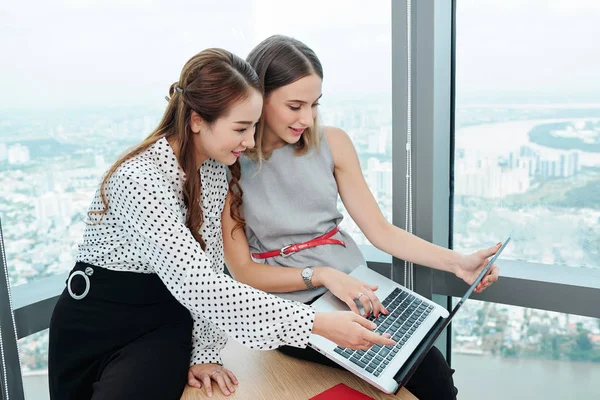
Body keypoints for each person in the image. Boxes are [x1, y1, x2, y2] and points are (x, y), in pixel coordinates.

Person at [47, 48, 395, 400]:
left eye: (254, 126)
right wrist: (317, 325)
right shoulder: (140, 178)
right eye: (241, 128)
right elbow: (199, 285)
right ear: (197, 120)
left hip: (164, 322)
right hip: (94, 319)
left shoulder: (214, 170)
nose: (249, 141)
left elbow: (210, 264)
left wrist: (204, 352)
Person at [222, 35, 502, 400]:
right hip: (292, 311)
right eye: (295, 106)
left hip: (357, 291)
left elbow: (380, 231)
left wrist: (458, 263)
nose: (307, 118)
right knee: (422, 368)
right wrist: (322, 276)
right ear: (259, 97)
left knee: (426, 357)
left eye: (314, 105)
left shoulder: (333, 142)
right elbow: (243, 271)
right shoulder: (229, 163)